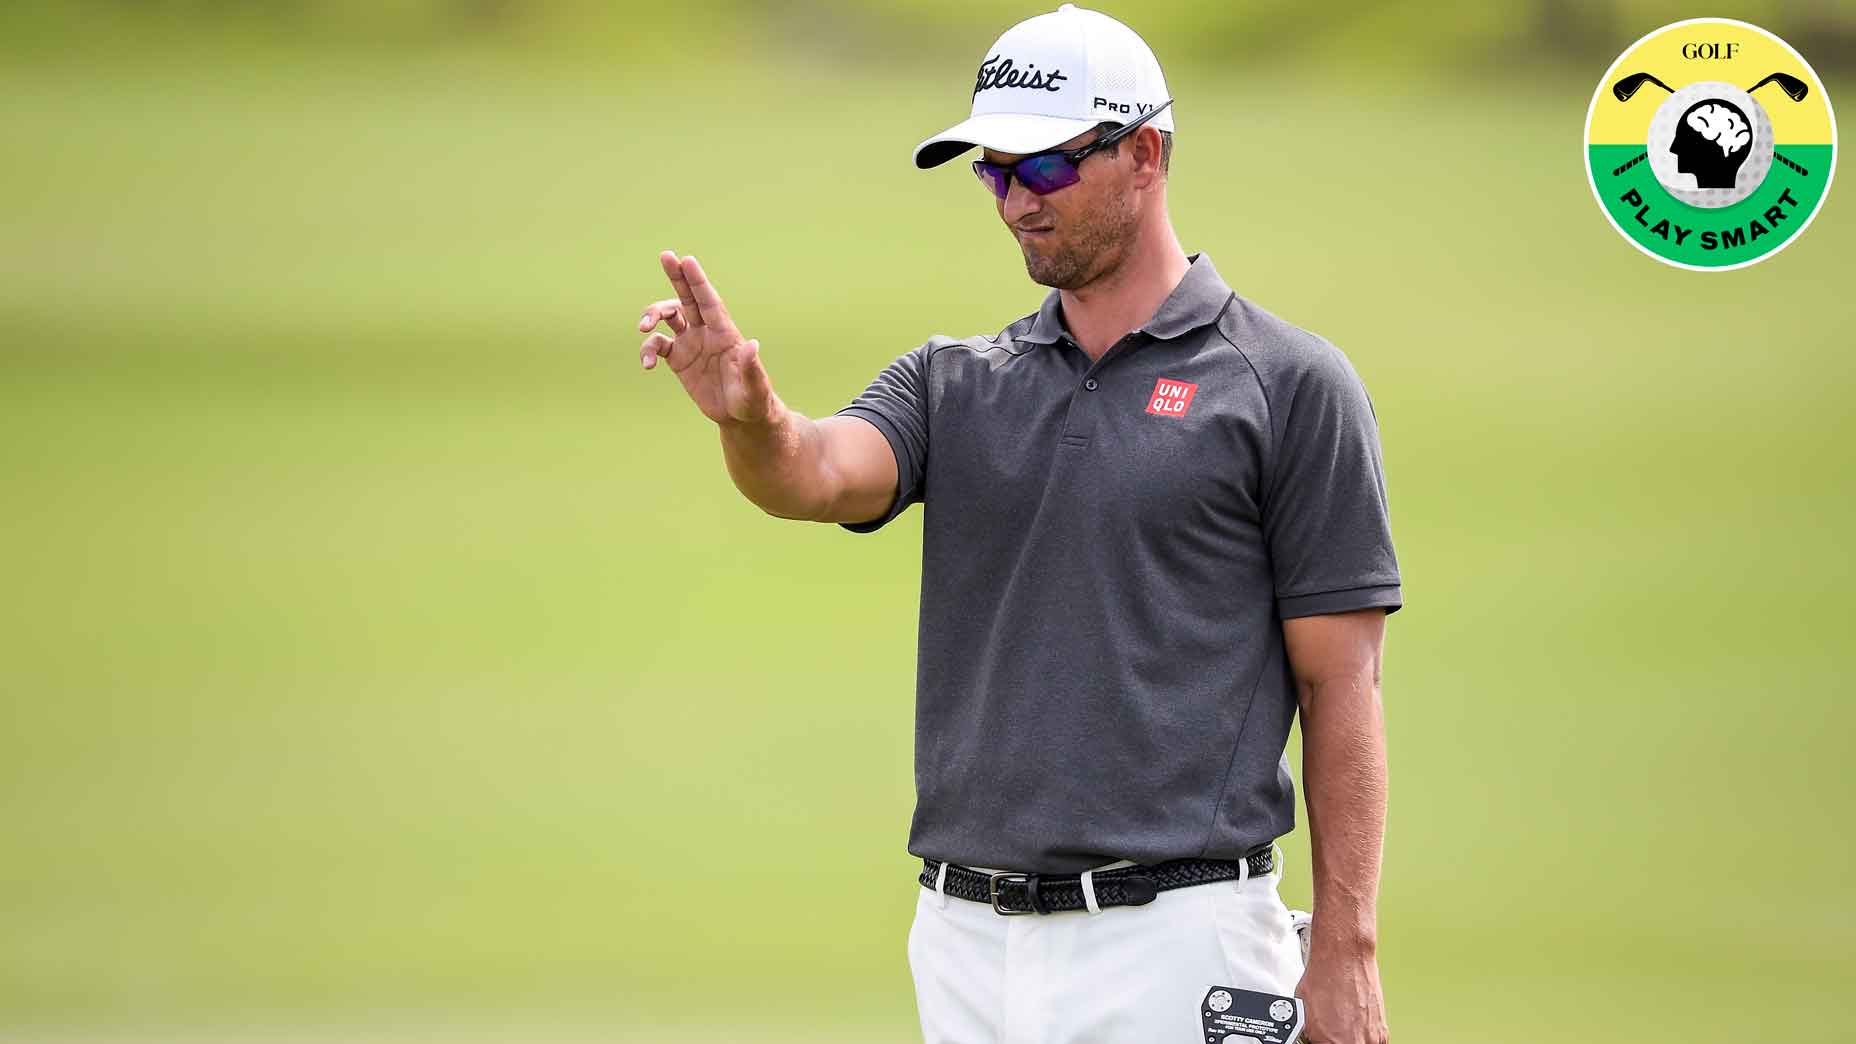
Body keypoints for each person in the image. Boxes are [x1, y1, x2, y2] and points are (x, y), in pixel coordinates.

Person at [634, 6, 1399, 1042]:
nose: (1011, 204)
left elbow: (1339, 682)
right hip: (963, 945)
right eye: (991, 172)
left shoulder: (1286, 386)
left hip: (1177, 943)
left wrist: (1346, 951)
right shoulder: (955, 383)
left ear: (1142, 153)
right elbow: (813, 474)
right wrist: (751, 418)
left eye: (1039, 169)